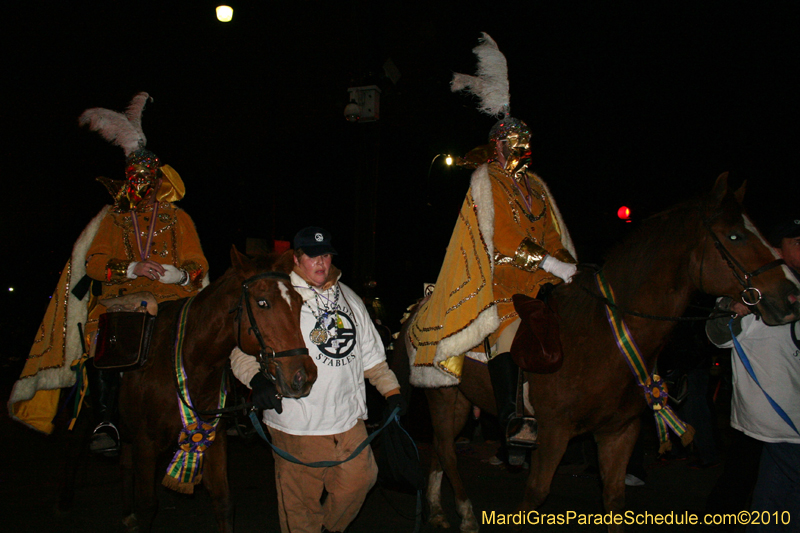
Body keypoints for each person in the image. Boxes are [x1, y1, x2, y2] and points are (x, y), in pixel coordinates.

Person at [406, 33, 578, 465]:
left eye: (525, 140)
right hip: (501, 282)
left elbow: (552, 232)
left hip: (543, 281)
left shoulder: (536, 186)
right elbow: (500, 239)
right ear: (499, 145)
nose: (522, 147)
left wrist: (567, 266)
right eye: (514, 141)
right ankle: (511, 418)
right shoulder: (487, 179)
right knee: (506, 332)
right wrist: (550, 262)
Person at [8, 93, 208, 454]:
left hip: (174, 298)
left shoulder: (179, 219)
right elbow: (94, 264)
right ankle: (105, 419)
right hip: (121, 300)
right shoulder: (113, 219)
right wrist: (132, 267)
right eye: (137, 181)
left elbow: (198, 265)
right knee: (105, 338)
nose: (144, 190)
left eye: (149, 181)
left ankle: (212, 408)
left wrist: (176, 276)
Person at [229, 226, 406, 533]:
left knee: (361, 480)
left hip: (348, 421)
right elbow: (241, 351)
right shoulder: (279, 294)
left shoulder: (349, 298)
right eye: (312, 256)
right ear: (296, 259)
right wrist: (256, 381)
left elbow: (372, 358)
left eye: (325, 255)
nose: (321, 262)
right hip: (298, 425)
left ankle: (328, 529)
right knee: (300, 511)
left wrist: (391, 392)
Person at [704, 216, 800, 531]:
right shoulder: (753, 287)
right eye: (796, 242)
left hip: (789, 422)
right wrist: (732, 308)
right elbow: (716, 333)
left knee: (769, 498)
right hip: (766, 422)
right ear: (775, 247)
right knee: (743, 484)